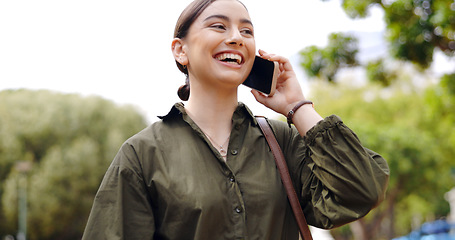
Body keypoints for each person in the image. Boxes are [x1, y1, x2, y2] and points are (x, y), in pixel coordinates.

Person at [81, 0, 390, 239]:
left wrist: (297, 106)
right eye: (218, 26)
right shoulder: (142, 155)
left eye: (247, 31)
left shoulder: (281, 142)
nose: (236, 38)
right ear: (180, 50)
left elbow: (362, 190)